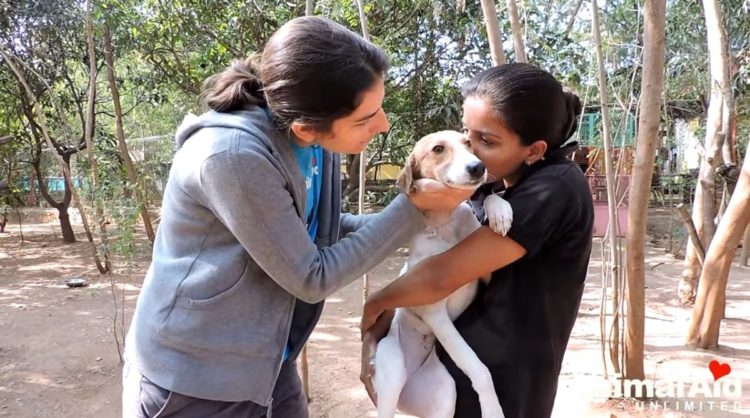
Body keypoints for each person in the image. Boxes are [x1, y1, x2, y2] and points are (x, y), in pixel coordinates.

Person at [122, 16, 472, 418]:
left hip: (268, 356)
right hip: (198, 376)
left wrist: (423, 220)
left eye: (380, 107)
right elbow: (311, 276)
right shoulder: (233, 157)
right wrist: (412, 209)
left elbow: (319, 229)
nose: (383, 125)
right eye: (365, 119)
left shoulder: (311, 141)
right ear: (306, 127)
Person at [360, 63, 595, 418]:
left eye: (486, 141)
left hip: (506, 382)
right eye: (469, 137)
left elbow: (439, 278)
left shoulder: (554, 187)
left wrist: (375, 304)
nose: (472, 154)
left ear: (533, 150)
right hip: (457, 373)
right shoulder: (499, 188)